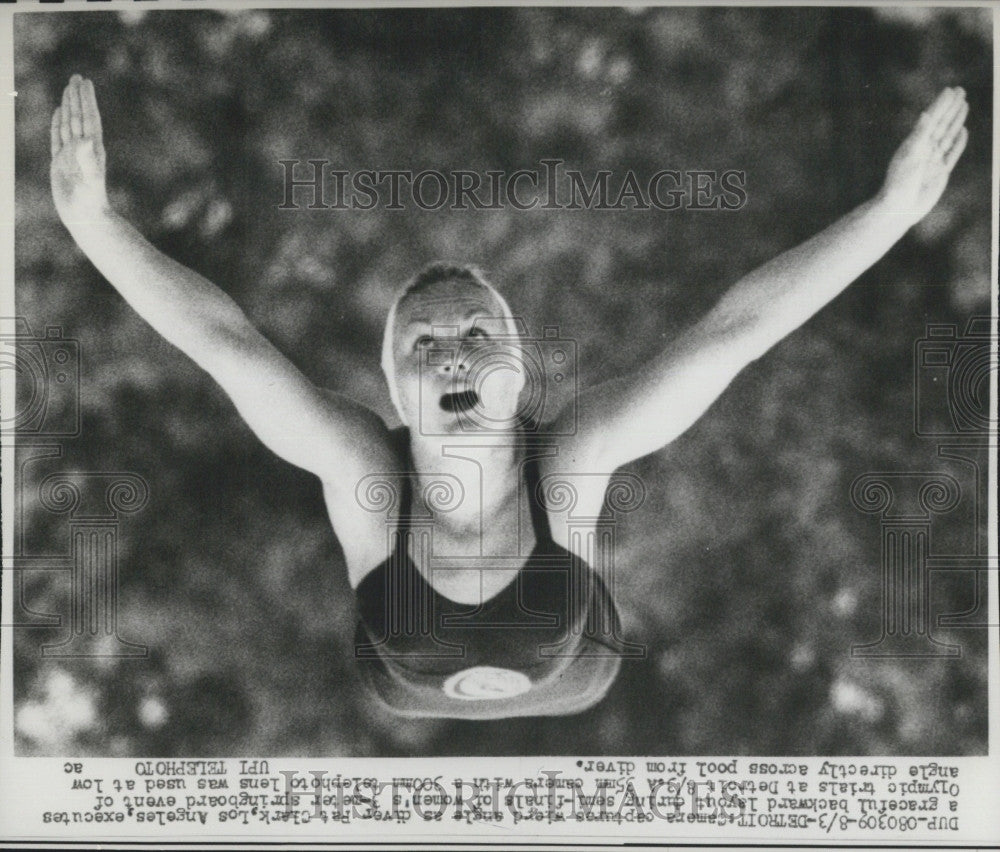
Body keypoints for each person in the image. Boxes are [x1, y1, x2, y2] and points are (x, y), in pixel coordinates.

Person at [50, 74, 969, 718]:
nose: (455, 355)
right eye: (427, 343)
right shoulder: (361, 464)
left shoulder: (573, 457)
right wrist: (94, 224)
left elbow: (732, 335)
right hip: (399, 678)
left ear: (520, 373)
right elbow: (230, 348)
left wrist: (888, 212)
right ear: (394, 389)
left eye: (479, 338)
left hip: (579, 670)